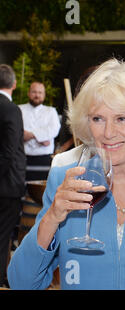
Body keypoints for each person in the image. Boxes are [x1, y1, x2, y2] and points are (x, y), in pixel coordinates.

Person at [8, 59, 125, 289]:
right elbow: (21, 282)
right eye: (97, 119)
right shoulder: (68, 181)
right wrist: (52, 216)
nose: (108, 132)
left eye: (122, 118)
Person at [0, 64, 26, 288]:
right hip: (7, 185)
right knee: (3, 235)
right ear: (14, 84)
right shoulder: (11, 110)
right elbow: (9, 151)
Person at [19, 82, 61, 181]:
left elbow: (54, 130)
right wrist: (42, 138)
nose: (37, 95)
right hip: (22, 158)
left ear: (44, 95)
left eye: (40, 92)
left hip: (44, 159)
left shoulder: (51, 111)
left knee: (41, 190)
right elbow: (17, 130)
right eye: (34, 92)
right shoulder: (19, 109)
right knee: (20, 189)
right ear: (28, 93)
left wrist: (30, 135)